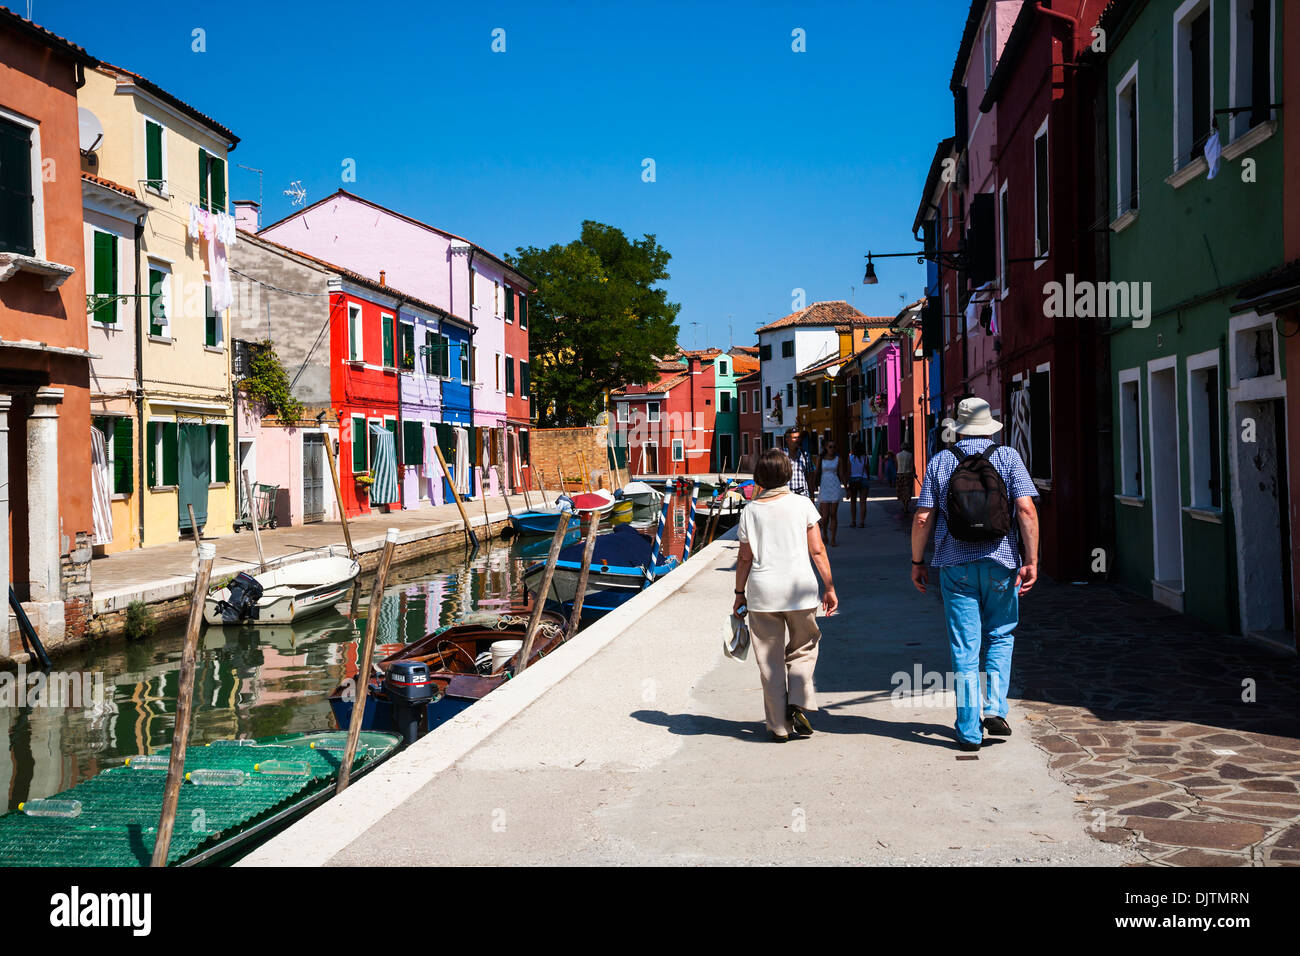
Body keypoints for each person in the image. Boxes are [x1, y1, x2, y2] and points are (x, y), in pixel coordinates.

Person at [909, 397, 1039, 752]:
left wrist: (918, 561)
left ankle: (968, 730)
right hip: (1001, 562)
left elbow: (923, 517)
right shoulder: (1008, 457)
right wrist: (1032, 560)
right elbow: (1026, 510)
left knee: (965, 648)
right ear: (990, 427)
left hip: (956, 565)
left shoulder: (941, 461)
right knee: (1001, 634)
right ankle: (995, 707)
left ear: (960, 427)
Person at [734, 448, 838, 742]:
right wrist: (829, 587)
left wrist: (738, 593)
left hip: (763, 594)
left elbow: (744, 559)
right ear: (787, 474)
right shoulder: (802, 504)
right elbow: (817, 550)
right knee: (803, 649)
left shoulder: (750, 511)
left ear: (759, 478)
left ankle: (779, 725)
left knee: (770, 660)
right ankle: (799, 700)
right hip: (800, 591)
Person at [813, 438, 847, 545]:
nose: (832, 449)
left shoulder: (838, 459)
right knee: (825, 515)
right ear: (826, 448)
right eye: (830, 447)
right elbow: (816, 471)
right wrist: (813, 484)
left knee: (833, 514)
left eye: (834, 447)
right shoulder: (821, 458)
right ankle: (824, 535)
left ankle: (833, 538)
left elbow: (841, 474)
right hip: (824, 486)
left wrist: (846, 487)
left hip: (835, 485)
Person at [780, 427, 814, 499]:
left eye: (799, 438)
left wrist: (812, 496)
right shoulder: (780, 456)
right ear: (787, 440)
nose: (797, 440)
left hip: (802, 495)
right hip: (786, 496)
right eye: (795, 438)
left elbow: (810, 477)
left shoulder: (805, 455)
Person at [847, 440, 869, 528]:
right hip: (863, 479)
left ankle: (853, 521)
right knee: (863, 502)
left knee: (853, 502)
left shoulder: (850, 457)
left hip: (853, 480)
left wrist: (847, 484)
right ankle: (862, 522)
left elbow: (848, 471)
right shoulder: (865, 458)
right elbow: (868, 469)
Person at [896, 445, 915, 515]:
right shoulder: (910, 455)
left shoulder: (898, 455)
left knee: (901, 490)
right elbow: (912, 465)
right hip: (908, 474)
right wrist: (914, 473)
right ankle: (906, 507)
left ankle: (904, 505)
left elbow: (897, 465)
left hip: (899, 474)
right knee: (907, 491)